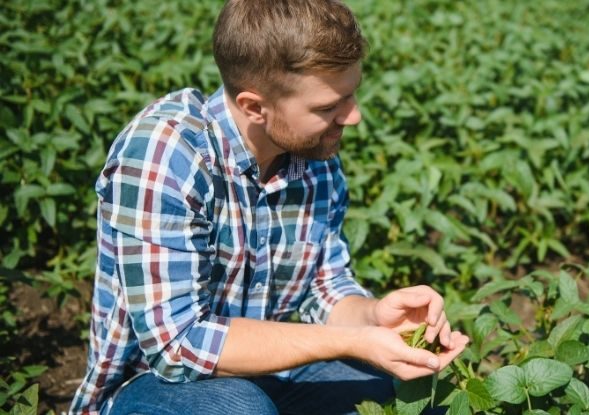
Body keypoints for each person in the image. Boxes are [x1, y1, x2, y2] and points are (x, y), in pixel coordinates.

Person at [69, 0, 469, 414]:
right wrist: (351, 341)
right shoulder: (166, 155)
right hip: (153, 384)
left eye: (351, 95)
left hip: (271, 375)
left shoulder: (313, 158)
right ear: (254, 107)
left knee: (405, 387)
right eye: (328, 107)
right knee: (242, 409)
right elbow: (178, 347)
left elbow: (323, 288)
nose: (354, 117)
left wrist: (374, 317)